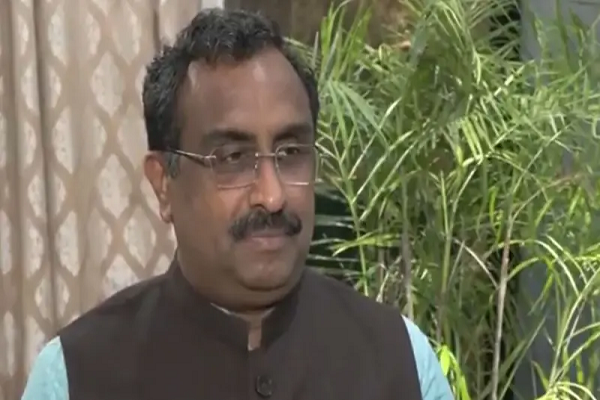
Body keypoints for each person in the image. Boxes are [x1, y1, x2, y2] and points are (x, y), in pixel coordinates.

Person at [21, 8, 453, 400]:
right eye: (232, 158)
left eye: (291, 152)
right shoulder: (74, 377)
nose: (272, 195)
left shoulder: (401, 359)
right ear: (163, 183)